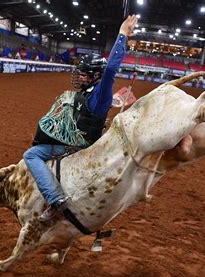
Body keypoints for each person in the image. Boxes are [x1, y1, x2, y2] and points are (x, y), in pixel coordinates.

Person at [23, 15, 137, 221]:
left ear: (95, 75)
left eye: (84, 74)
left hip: (77, 146)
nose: (80, 77)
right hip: (81, 140)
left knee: (31, 155)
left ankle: (55, 198)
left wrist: (122, 35)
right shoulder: (91, 93)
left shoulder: (101, 92)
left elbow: (111, 69)